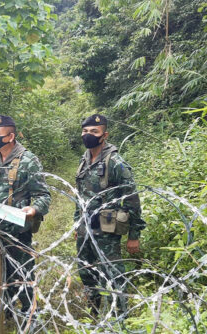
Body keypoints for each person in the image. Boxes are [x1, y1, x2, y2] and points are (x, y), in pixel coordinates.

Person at [74, 114, 145, 318]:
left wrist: (134, 235)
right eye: (85, 131)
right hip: (85, 226)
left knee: (113, 273)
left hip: (107, 227)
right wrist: (76, 225)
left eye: (94, 132)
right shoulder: (84, 159)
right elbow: (79, 196)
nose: (88, 135)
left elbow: (132, 200)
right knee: (86, 271)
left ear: (104, 135)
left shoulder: (116, 163)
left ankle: (121, 315)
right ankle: (94, 309)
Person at [0, 115, 51, 323]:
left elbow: (43, 195)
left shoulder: (28, 160)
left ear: (11, 136)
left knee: (23, 274)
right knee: (1, 274)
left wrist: (33, 209)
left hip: (18, 231)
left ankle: (31, 317)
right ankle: (8, 314)